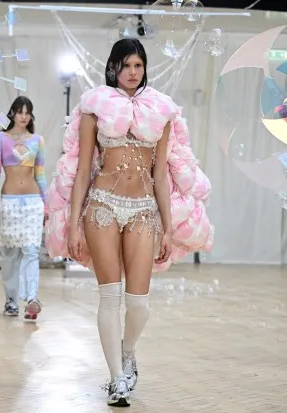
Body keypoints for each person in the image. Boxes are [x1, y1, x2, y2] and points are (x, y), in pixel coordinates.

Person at [45, 39, 214, 406]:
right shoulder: (94, 108)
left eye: (138, 65)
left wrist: (168, 228)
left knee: (138, 304)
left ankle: (127, 350)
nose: (132, 72)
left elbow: (163, 174)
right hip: (102, 205)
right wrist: (73, 225)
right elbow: (82, 170)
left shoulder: (161, 111)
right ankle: (116, 379)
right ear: (113, 68)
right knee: (110, 297)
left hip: (143, 210)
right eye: (126, 66)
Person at [0, 97, 48, 320]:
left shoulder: (37, 140)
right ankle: (11, 300)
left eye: (28, 112)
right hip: (9, 202)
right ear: (12, 113)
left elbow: (40, 175)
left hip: (33, 202)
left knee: (32, 250)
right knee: (10, 254)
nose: (24, 116)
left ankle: (31, 299)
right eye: (20, 112)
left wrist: (47, 204)